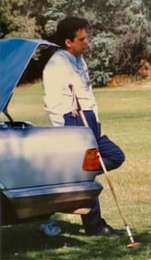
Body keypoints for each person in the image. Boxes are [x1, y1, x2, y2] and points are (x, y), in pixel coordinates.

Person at [42, 16, 125, 236]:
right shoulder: (57, 64)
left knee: (115, 156)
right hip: (73, 123)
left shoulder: (80, 60)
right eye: (83, 39)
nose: (88, 42)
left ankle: (71, 174)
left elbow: (88, 95)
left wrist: (99, 123)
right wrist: (65, 133)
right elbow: (52, 104)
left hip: (90, 122)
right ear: (69, 42)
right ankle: (94, 225)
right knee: (86, 170)